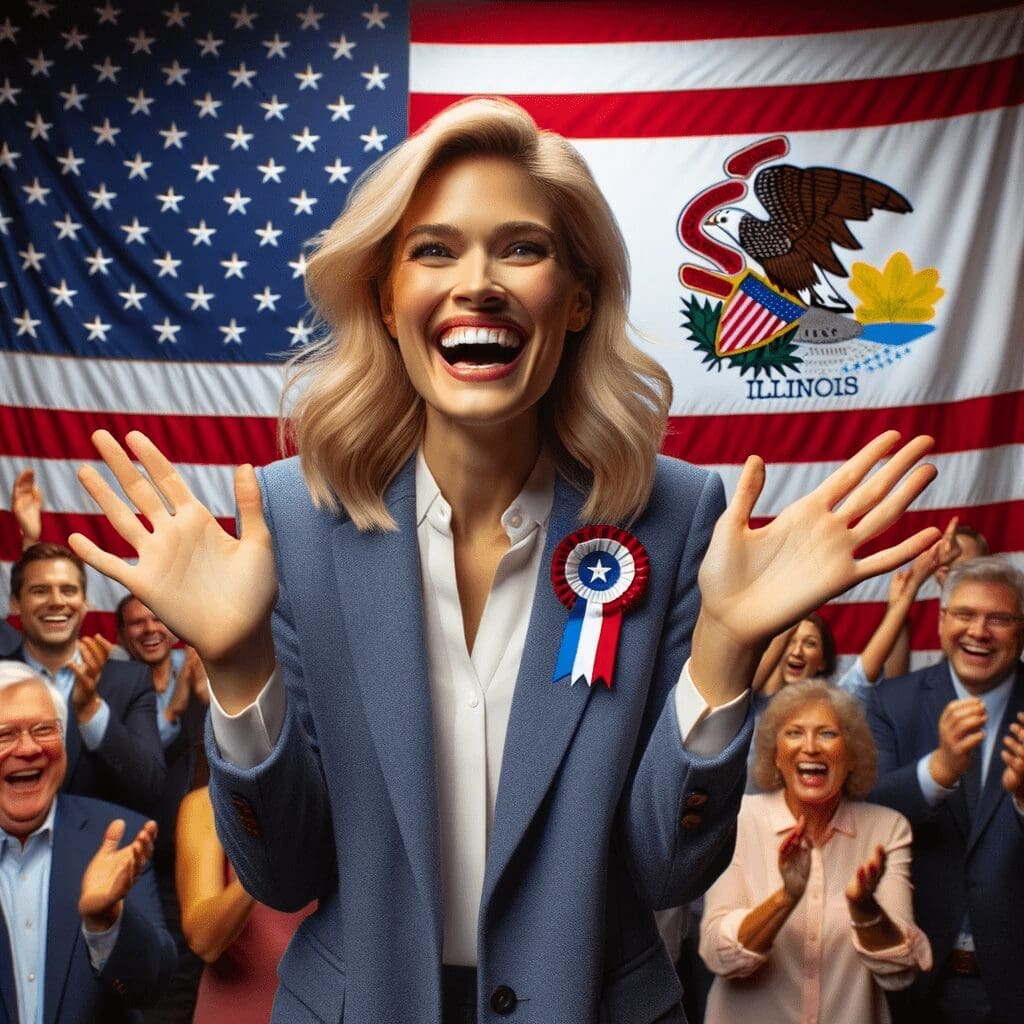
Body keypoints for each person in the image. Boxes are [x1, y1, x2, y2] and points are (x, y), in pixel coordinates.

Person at [67, 97, 939, 1024]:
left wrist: (722, 647)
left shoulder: (679, 515)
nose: (476, 282)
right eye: (434, 250)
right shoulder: (291, 515)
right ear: (383, 299)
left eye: (521, 248)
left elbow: (664, 866)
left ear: (578, 300)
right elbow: (284, 874)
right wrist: (237, 667)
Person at [700, 680, 931, 1023]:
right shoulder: (739, 821)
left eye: (827, 734)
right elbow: (718, 956)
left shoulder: (887, 829)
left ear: (852, 757)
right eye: (794, 733)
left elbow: (899, 971)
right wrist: (786, 898)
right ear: (776, 757)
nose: (810, 747)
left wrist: (865, 910)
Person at [867, 557, 1024, 1023]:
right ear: (941, 622)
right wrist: (937, 771)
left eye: (999, 618)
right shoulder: (891, 702)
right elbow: (865, 814)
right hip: (915, 978)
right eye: (965, 614)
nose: (980, 631)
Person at [0, 660, 176, 1022]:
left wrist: (107, 923)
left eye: (44, 730)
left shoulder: (119, 836)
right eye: (5, 735)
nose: (30, 748)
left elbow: (152, 986)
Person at [6, 544, 165, 814]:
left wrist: (91, 710)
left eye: (68, 590)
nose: (57, 601)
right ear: (15, 603)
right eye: (40, 591)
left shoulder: (131, 681)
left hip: (104, 848)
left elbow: (150, 787)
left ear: (85, 603)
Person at [117, 595, 209, 1024]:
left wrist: (207, 699)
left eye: (157, 618)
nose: (150, 629)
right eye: (137, 623)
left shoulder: (200, 676)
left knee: (185, 968)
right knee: (137, 961)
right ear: (123, 634)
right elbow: (133, 766)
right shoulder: (113, 687)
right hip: (131, 853)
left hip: (185, 856)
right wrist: (173, 707)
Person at [176, 785, 315, 1023]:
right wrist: (258, 866)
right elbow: (204, 941)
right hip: (235, 1012)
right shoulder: (209, 804)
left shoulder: (341, 809)